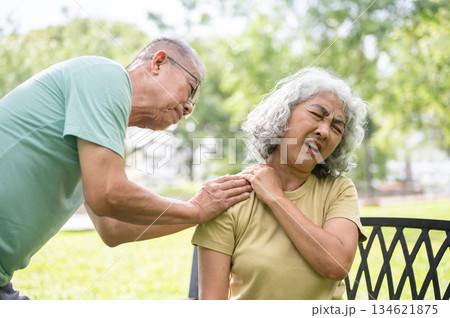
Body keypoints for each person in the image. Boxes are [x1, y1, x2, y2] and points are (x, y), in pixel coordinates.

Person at [0, 37, 252, 300]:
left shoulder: (99, 135)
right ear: (159, 62)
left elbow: (113, 228)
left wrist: (198, 215)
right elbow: (107, 193)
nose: (189, 107)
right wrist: (195, 208)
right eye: (191, 89)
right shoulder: (106, 76)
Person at [192, 67, 368, 300]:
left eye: (337, 127)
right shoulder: (228, 196)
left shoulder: (339, 190)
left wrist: (276, 198)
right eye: (317, 115)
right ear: (282, 115)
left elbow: (336, 265)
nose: (324, 131)